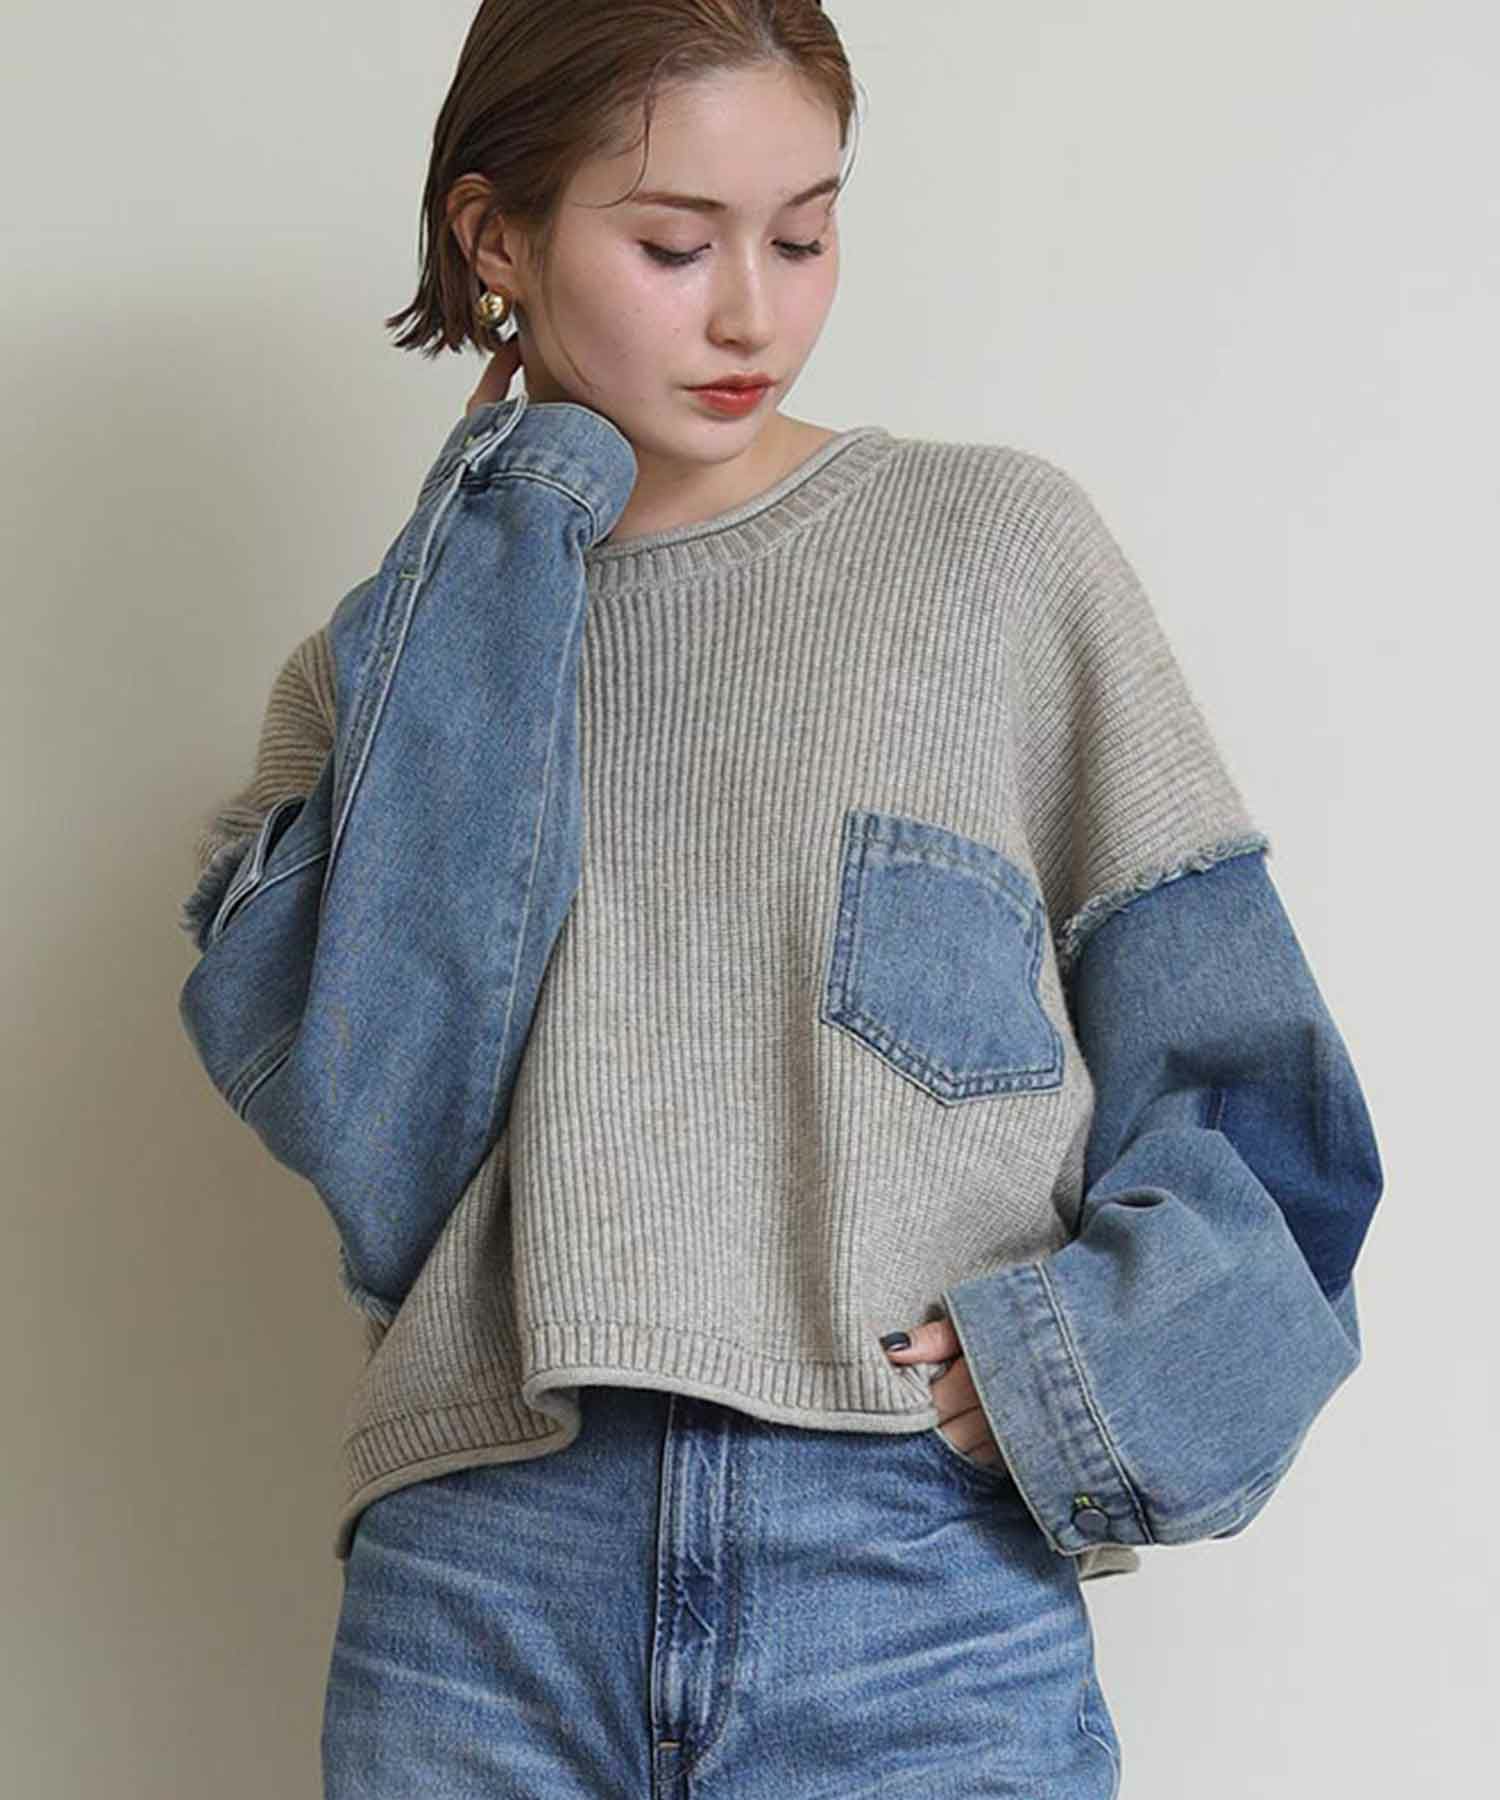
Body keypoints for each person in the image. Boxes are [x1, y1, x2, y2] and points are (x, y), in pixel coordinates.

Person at [174, 4, 1384, 1795]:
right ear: (494, 237)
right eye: (675, 246)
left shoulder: (997, 556)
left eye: (804, 237)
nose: (753, 312)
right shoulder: (381, 673)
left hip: (911, 1585)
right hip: (484, 1594)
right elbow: (382, 1138)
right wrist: (514, 520)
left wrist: (1066, 1371)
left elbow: (1256, 1098)